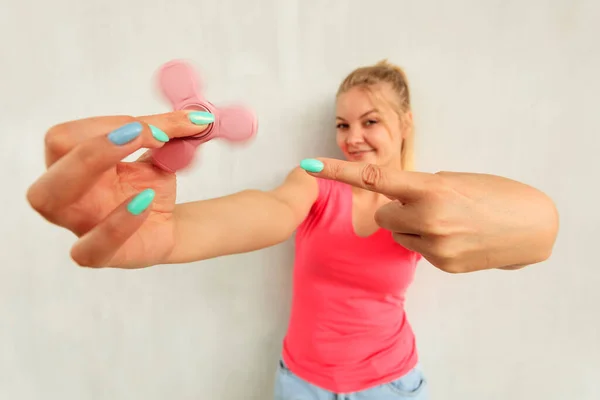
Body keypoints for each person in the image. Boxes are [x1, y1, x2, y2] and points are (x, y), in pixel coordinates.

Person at [26, 60, 559, 399]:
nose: (352, 138)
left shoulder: (425, 202)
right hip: (301, 383)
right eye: (342, 124)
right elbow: (269, 210)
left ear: (405, 124)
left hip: (392, 385)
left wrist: (543, 228)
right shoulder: (313, 185)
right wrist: (173, 233)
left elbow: (515, 235)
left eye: (369, 121)